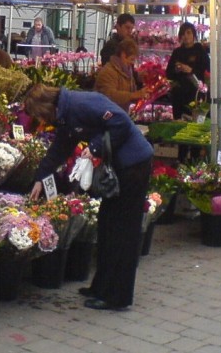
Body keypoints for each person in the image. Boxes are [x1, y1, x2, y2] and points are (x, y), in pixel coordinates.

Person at [25, 84, 153, 311]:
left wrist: (94, 148)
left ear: (47, 106)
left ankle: (117, 296)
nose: (43, 121)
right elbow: (61, 147)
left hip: (133, 166)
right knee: (107, 226)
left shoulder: (80, 104)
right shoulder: (66, 114)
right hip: (121, 167)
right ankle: (101, 287)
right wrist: (40, 177)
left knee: (122, 232)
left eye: (40, 115)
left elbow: (121, 122)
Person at [165, 22, 210, 162]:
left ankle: (196, 158)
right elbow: (168, 73)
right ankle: (181, 157)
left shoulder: (200, 51)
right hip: (180, 96)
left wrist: (191, 70)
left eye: (189, 33)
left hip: (195, 96)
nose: (186, 37)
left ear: (194, 35)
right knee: (180, 127)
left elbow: (207, 72)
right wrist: (176, 70)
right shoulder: (177, 52)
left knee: (195, 128)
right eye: (183, 34)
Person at [95, 38, 150, 112]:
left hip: (119, 114)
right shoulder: (108, 71)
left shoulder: (127, 70)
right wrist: (135, 95)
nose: (132, 63)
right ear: (123, 55)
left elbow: (131, 93)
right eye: (132, 59)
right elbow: (109, 95)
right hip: (106, 116)